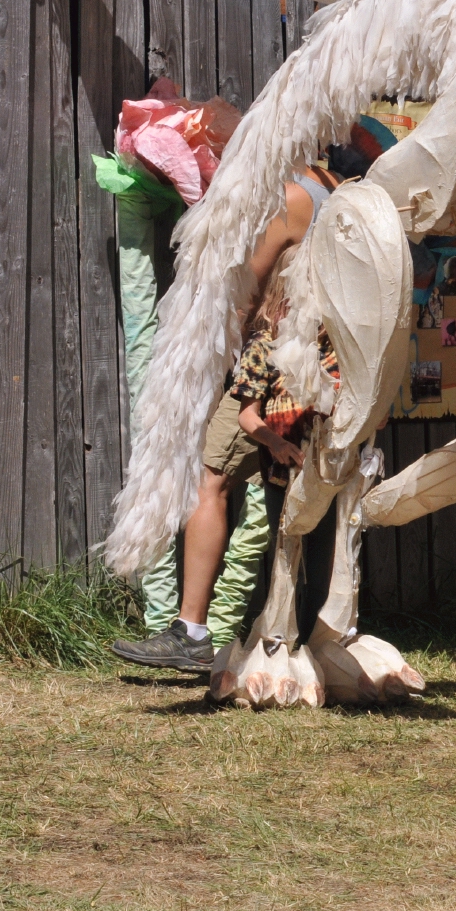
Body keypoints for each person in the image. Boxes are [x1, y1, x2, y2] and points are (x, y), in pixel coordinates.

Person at [112, 162, 341, 672]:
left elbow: (246, 296)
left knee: (208, 479)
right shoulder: (341, 194)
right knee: (310, 499)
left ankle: (191, 631)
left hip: (274, 362)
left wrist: (216, 371)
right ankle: (311, 636)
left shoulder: (290, 199)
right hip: (325, 368)